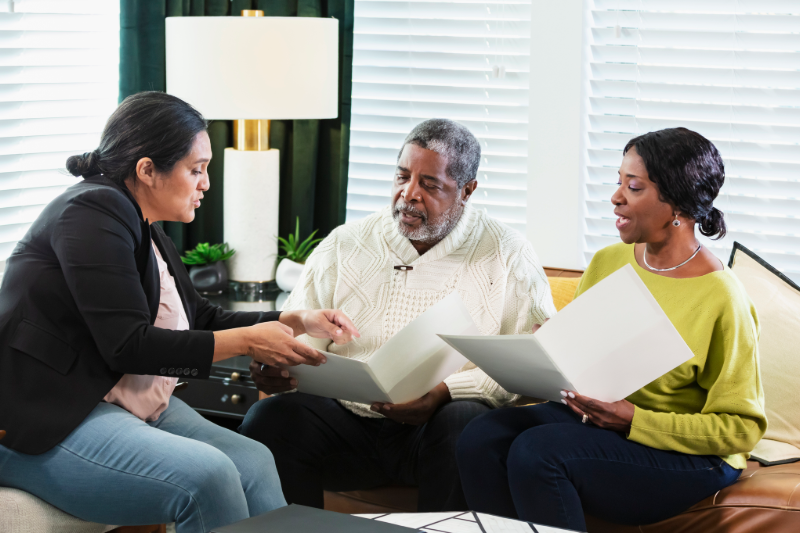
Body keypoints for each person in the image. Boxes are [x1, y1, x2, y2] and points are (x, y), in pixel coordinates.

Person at [0, 92, 360, 533]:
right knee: (207, 477)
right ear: (147, 170)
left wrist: (294, 321)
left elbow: (201, 318)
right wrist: (248, 341)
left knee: (254, 459)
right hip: (48, 416)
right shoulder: (91, 212)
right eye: (196, 169)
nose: (206, 183)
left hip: (118, 402)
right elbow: (127, 346)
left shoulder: (143, 224)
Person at [456, 127, 767, 530]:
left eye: (633, 187)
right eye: (618, 183)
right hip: (601, 424)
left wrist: (633, 419)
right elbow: (587, 368)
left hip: (688, 455)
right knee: (480, 438)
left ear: (677, 203)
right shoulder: (608, 261)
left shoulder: (722, 298)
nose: (616, 197)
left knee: (539, 452)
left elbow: (741, 429)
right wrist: (550, 350)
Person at [240, 118, 556, 512]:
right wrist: (282, 367)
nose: (408, 195)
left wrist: (443, 393)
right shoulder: (345, 243)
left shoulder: (508, 252)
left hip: (439, 432)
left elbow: (527, 365)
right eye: (402, 177)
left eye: (430, 184)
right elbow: (303, 340)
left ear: (467, 190)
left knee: (465, 421)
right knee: (269, 417)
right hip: (348, 426)